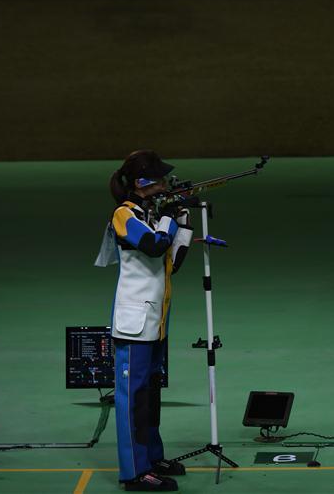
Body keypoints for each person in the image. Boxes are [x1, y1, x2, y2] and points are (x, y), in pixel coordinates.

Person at [95, 149, 193, 492]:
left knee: (150, 394)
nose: (165, 183)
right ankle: (134, 472)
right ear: (142, 183)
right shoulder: (125, 214)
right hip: (135, 323)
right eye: (160, 179)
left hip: (155, 321)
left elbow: (172, 261)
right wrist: (167, 218)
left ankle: (152, 457)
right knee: (132, 398)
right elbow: (152, 245)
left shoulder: (149, 212)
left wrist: (182, 222)